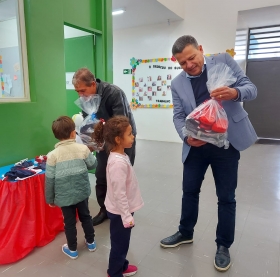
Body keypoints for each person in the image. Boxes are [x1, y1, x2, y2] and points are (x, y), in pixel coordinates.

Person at [160, 35, 257, 272]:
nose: (189, 65)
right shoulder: (177, 83)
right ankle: (185, 232)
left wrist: (235, 93)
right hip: (197, 146)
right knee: (189, 191)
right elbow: (178, 115)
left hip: (227, 144)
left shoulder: (223, 60)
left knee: (226, 197)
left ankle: (223, 245)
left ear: (201, 49)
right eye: (182, 63)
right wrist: (186, 136)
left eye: (192, 58)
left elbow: (251, 89)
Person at [72, 68, 137, 226]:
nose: (80, 95)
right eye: (77, 91)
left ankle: (125, 210)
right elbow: (89, 122)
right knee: (101, 176)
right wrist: (89, 140)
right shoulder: (86, 99)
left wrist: (100, 131)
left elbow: (121, 124)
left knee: (121, 177)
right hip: (103, 142)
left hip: (122, 140)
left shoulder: (113, 93)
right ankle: (105, 209)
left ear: (93, 84)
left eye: (83, 90)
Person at [93, 116, 144, 277]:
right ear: (118, 139)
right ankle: (114, 272)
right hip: (120, 211)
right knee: (119, 244)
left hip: (121, 209)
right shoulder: (117, 163)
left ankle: (122, 265)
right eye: (129, 134)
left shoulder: (121, 156)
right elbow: (119, 192)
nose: (133, 136)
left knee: (122, 242)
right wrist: (126, 215)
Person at [45, 116, 98, 259]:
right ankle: (91, 242)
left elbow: (49, 180)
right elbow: (93, 165)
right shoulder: (83, 149)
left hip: (64, 196)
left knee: (69, 223)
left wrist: (50, 199)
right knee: (86, 217)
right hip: (82, 193)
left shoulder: (52, 156)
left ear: (56, 135)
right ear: (73, 133)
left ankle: (72, 249)